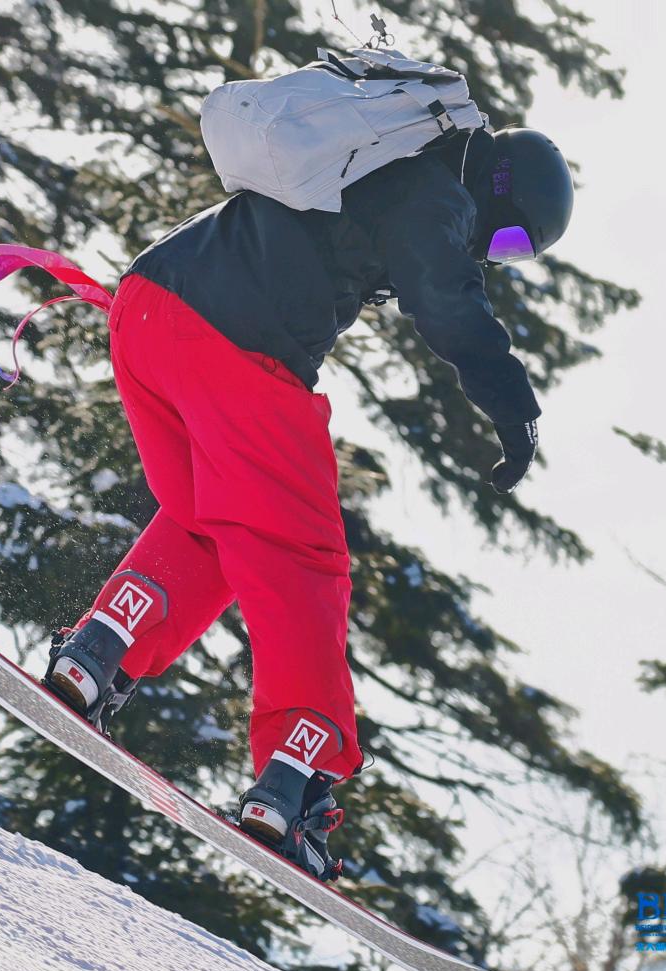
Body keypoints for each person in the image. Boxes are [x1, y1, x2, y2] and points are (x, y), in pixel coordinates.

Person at [43, 126, 574, 881]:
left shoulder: (374, 149)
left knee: (214, 519)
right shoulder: (439, 190)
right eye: (514, 240)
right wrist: (511, 402)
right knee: (304, 560)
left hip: (147, 309)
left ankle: (97, 652)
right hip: (236, 346)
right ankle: (296, 777)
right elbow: (442, 293)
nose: (499, 253)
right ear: (502, 189)